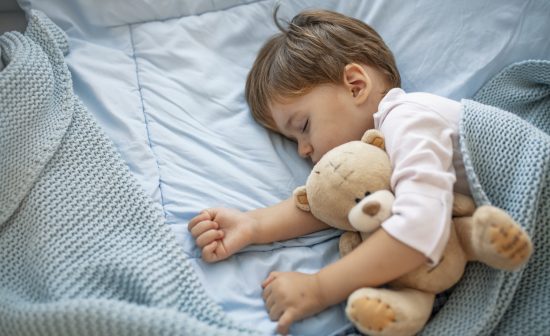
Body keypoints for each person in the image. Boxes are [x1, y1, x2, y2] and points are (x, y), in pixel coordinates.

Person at [188, 8, 470, 335]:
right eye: (291, 140)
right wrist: (252, 225)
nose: (302, 150)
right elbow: (336, 199)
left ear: (354, 85)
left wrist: (320, 288)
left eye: (303, 126)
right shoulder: (376, 156)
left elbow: (420, 228)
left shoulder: (409, 120)